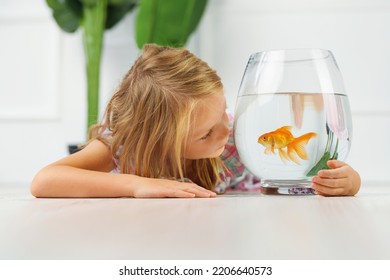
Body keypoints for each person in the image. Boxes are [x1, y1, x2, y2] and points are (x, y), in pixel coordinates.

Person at [31, 44, 361, 198]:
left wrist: (344, 182)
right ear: (159, 141)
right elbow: (45, 181)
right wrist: (137, 184)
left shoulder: (236, 137)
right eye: (207, 133)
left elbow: (295, 172)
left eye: (223, 114)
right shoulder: (122, 149)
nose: (227, 130)